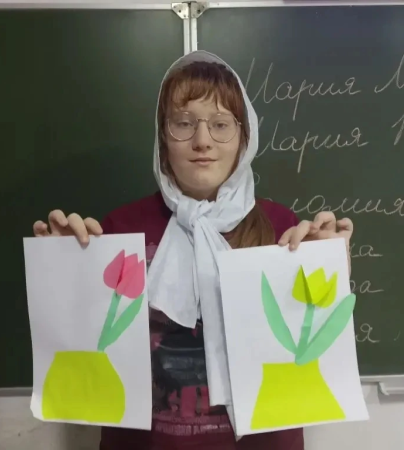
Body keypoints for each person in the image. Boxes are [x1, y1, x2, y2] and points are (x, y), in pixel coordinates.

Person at [33, 51, 353, 450]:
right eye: (184, 123)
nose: (202, 141)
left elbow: (312, 348)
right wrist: (61, 270)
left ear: (244, 138)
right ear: (163, 137)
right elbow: (86, 353)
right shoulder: (119, 229)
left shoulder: (284, 229)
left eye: (221, 124)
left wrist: (331, 268)